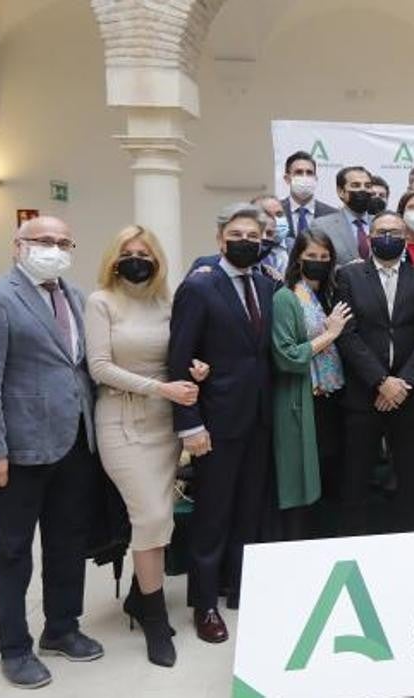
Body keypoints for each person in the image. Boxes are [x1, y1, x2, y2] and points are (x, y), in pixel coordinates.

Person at [0, 216, 103, 689]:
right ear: (17, 245)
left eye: (63, 242)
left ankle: (61, 627)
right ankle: (15, 648)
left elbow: (78, 368)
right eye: (43, 241)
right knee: (11, 552)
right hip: (16, 452)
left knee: (67, 543)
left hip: (73, 443)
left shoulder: (74, 296)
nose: (54, 249)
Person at [86, 226, 209, 668]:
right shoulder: (101, 302)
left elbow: (177, 355)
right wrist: (161, 388)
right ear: (114, 258)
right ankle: (155, 622)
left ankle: (141, 597)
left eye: (145, 252)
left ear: (157, 260)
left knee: (161, 518)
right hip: (122, 422)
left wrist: (195, 368)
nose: (136, 259)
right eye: (127, 252)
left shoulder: (167, 302)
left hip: (164, 423)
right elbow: (99, 367)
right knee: (151, 517)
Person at [169, 202, 274, 643]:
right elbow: (179, 358)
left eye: (253, 237)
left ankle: (238, 587)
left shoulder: (266, 285)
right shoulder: (199, 287)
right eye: (237, 236)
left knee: (249, 510)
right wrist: (190, 424)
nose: (246, 243)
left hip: (259, 419)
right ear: (219, 240)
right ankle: (205, 603)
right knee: (212, 515)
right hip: (215, 421)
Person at [334, 212, 414, 533]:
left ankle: (406, 547)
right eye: (381, 231)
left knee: (409, 480)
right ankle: (354, 545)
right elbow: (346, 334)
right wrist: (381, 382)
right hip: (363, 394)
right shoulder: (349, 277)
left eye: (395, 232)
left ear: (406, 237)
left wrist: (402, 383)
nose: (388, 237)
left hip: (409, 395)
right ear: (369, 237)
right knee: (356, 479)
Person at [270, 230, 351, 540]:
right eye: (311, 256)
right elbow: (287, 355)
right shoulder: (286, 297)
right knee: (301, 482)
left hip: (334, 399)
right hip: (302, 400)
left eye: (324, 257)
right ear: (297, 259)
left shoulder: (328, 295)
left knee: (332, 478)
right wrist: (329, 334)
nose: (318, 262)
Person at [311, 165, 376, 266]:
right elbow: (318, 265)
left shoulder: (381, 223)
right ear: (341, 192)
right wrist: (346, 270)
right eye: (356, 185)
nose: (363, 190)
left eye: (367, 186)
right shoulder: (322, 226)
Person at [281, 150, 337, 236]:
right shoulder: (274, 212)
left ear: (315, 179)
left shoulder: (333, 215)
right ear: (287, 179)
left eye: (309, 173)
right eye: (299, 172)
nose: (305, 177)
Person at [253, 195, 290, 277]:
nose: (275, 220)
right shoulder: (249, 249)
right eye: (267, 215)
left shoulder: (297, 246)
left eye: (279, 214)